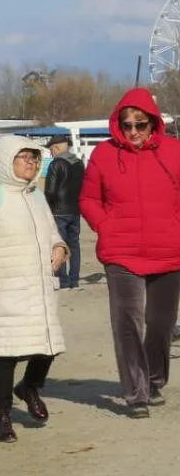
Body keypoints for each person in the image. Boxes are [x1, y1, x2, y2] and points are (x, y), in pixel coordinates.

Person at [81, 88, 180, 417]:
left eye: (140, 124)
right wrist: (105, 226)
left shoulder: (175, 152)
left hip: (169, 252)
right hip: (121, 253)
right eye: (127, 125)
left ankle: (154, 379)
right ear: (118, 125)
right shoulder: (103, 155)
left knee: (161, 323)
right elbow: (89, 199)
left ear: (153, 122)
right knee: (127, 323)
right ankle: (136, 393)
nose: (134, 131)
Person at [0, 136, 68, 443]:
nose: (30, 163)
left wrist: (60, 246)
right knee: (4, 355)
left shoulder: (36, 195)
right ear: (7, 160)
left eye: (34, 158)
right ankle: (2, 416)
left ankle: (30, 387)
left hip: (38, 286)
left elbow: (51, 230)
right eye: (23, 157)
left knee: (48, 346)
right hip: (2, 287)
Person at [44, 134, 85, 291]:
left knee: (59, 245)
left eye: (51, 150)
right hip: (75, 210)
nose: (51, 153)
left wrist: (47, 206)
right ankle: (74, 281)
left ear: (56, 148)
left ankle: (63, 281)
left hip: (58, 211)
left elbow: (50, 190)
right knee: (74, 245)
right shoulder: (79, 164)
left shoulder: (56, 164)